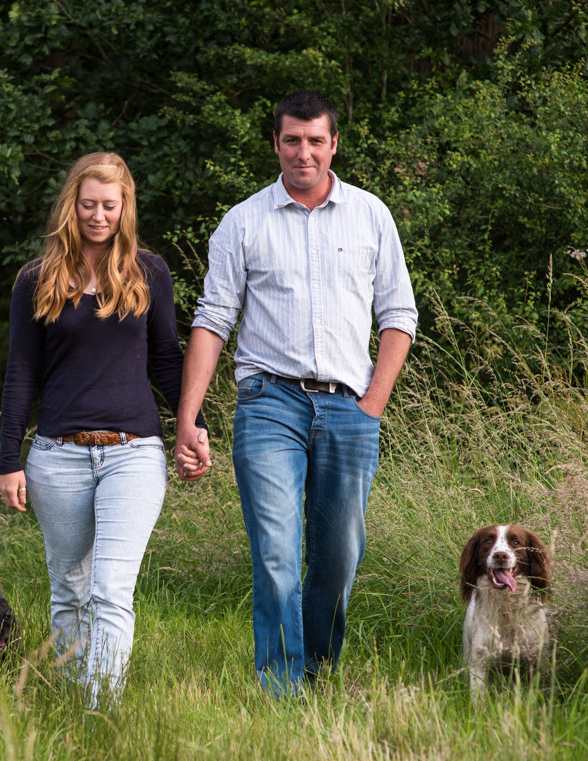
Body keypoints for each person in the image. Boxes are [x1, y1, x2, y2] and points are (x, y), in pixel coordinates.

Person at [175, 91, 418, 696]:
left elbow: (399, 316)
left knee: (337, 560)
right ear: (276, 143)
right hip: (268, 405)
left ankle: (319, 669)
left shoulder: (370, 216)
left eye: (315, 140)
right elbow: (212, 320)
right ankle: (281, 690)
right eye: (291, 140)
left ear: (333, 144)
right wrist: (189, 416)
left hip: (350, 405)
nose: (303, 152)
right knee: (278, 556)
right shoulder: (244, 222)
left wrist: (373, 407)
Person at [0, 152, 200, 706]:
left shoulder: (148, 272)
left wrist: (192, 426)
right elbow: (21, 372)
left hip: (134, 453)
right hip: (55, 455)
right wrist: (8, 460)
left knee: (111, 589)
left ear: (125, 207)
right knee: (69, 588)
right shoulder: (36, 279)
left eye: (110, 206)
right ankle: (71, 693)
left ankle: (98, 707)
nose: (98, 216)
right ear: (72, 204)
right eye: (88, 204)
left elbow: (166, 358)